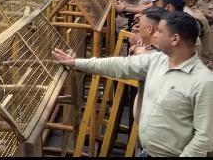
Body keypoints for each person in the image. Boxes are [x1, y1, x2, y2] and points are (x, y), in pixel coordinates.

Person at [52, 11, 212, 157]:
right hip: (146, 152)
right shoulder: (158, 60)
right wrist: (76, 62)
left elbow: (204, 139)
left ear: (175, 39)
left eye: (160, 31)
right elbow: (119, 65)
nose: (155, 35)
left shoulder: (203, 82)